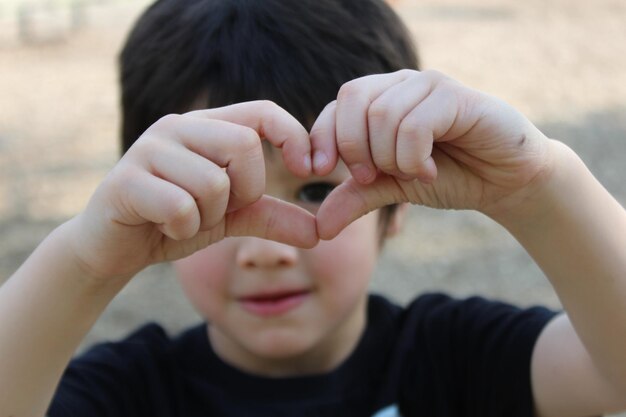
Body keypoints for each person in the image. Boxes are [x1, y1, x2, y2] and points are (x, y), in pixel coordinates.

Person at [1, 0, 626, 416]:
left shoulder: (456, 360)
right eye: (219, 199)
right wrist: (84, 260)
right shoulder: (127, 394)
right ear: (153, 208)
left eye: (317, 190)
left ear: (399, 206)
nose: (268, 251)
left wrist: (538, 185)